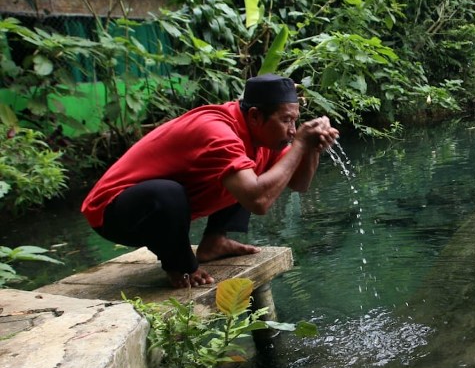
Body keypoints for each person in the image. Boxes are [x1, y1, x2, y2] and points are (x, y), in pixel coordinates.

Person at [80, 74, 340, 288]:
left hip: (162, 208)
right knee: (172, 192)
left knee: (244, 171)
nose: (293, 130)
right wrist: (300, 144)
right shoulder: (218, 132)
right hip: (113, 213)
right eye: (286, 120)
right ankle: (179, 266)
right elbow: (258, 200)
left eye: (295, 121)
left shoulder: (264, 136)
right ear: (255, 116)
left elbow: (298, 184)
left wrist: (312, 149)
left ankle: (215, 241)